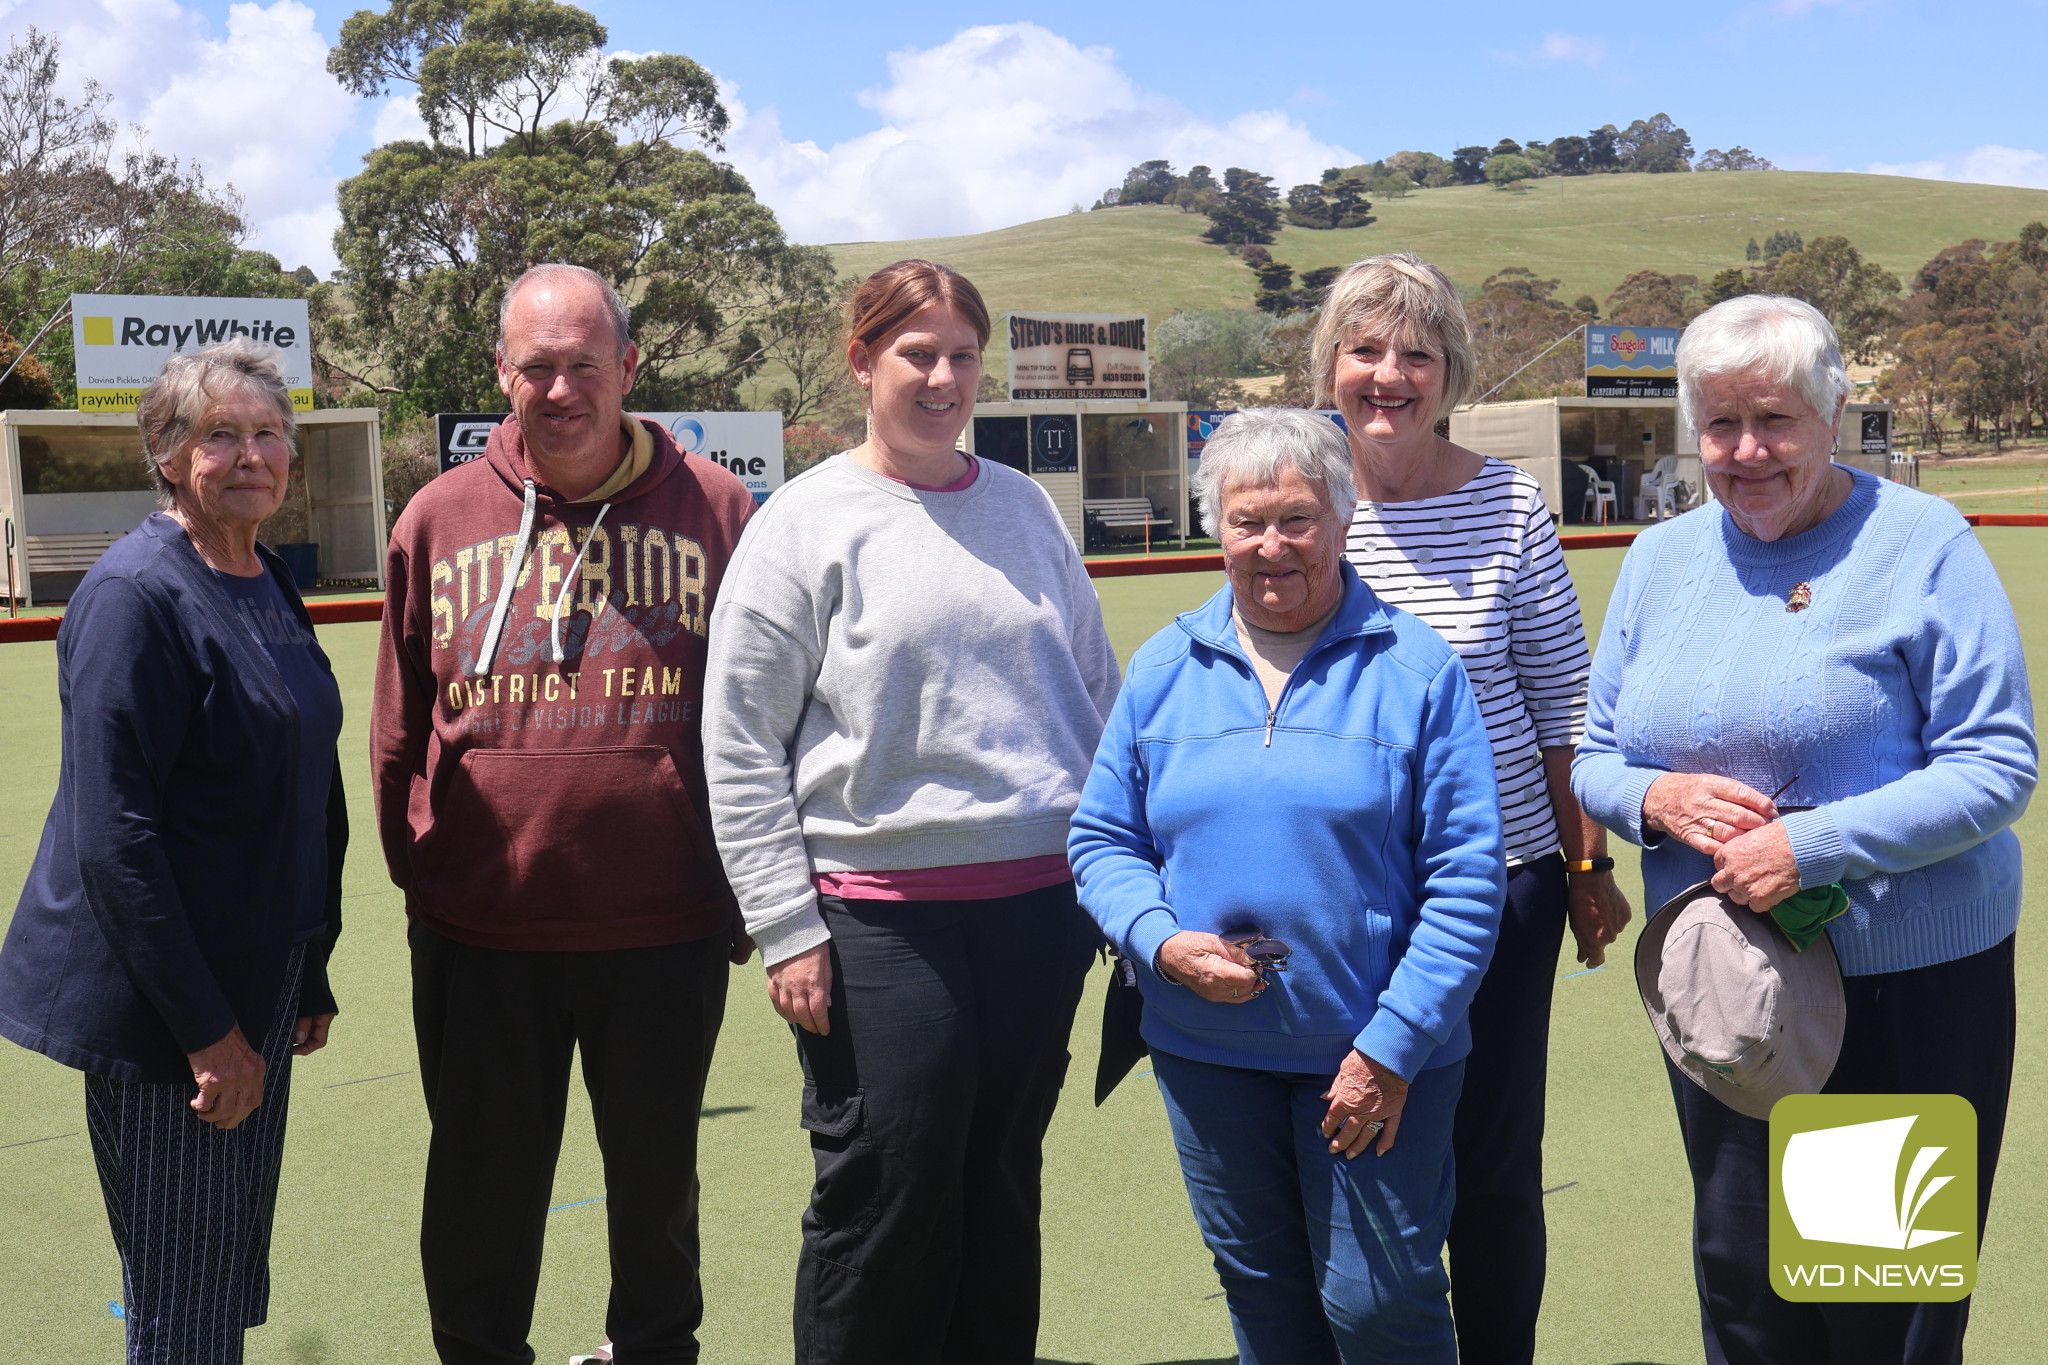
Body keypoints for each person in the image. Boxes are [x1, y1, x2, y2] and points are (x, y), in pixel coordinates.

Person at [1572, 294, 2037, 1365]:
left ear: (1833, 412)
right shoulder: (1661, 560)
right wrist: (1652, 800)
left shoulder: (1917, 544)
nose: (1745, 452)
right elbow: (1594, 754)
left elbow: (1992, 768)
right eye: (1719, 425)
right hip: (1726, 986)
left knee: (1868, 1300)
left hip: (1888, 987)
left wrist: (1805, 847)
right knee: (1745, 1295)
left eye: (1774, 420)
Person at [702, 259, 1120, 1364]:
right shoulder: (803, 522)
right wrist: (787, 927)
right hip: (877, 919)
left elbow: (1096, 694)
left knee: (998, 1177)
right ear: (861, 362)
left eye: (961, 356)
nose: (942, 378)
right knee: (886, 1187)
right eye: (915, 354)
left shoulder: (1024, 506)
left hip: (1040, 911)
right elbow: (739, 738)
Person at [371, 263, 756, 1365]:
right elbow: (398, 728)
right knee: (479, 1194)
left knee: (654, 1192)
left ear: (628, 367)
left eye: (583, 364)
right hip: (483, 930)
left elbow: (761, 716)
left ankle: (653, 1352)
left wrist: (741, 893)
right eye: (534, 366)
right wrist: (426, 880)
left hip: (665, 923)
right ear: (501, 370)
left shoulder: (718, 510)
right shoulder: (437, 518)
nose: (558, 389)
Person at [1070, 406, 1506, 1365]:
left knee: (1377, 1301)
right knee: (1263, 1299)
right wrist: (1160, 939)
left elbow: (1468, 882)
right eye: (1245, 520)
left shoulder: (1419, 670)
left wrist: (1387, 1052)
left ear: (1343, 519)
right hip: (1207, 1053)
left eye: (1298, 518)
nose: (1271, 545)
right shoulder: (1163, 666)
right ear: (1214, 528)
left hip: (1374, 1058)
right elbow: (1103, 838)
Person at [0, 338, 347, 1363]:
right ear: (166, 453)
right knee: (181, 1289)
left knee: (218, 1272)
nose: (252, 455)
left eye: (268, 434)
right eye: (219, 437)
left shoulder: (264, 576)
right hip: (171, 1002)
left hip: (259, 971)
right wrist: (206, 1033)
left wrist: (309, 964)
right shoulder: (134, 596)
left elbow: (299, 777)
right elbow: (117, 840)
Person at [1313, 250, 1631, 1364]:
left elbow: (1560, 710)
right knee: (1349, 1136)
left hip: (1501, 889)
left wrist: (1585, 871)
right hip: (1334, 899)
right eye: (1364, 350)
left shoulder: (1508, 507)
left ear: (1450, 372)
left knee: (1491, 1159)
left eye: (1416, 353)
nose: (1388, 375)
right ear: (1329, 367)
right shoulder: (1298, 492)